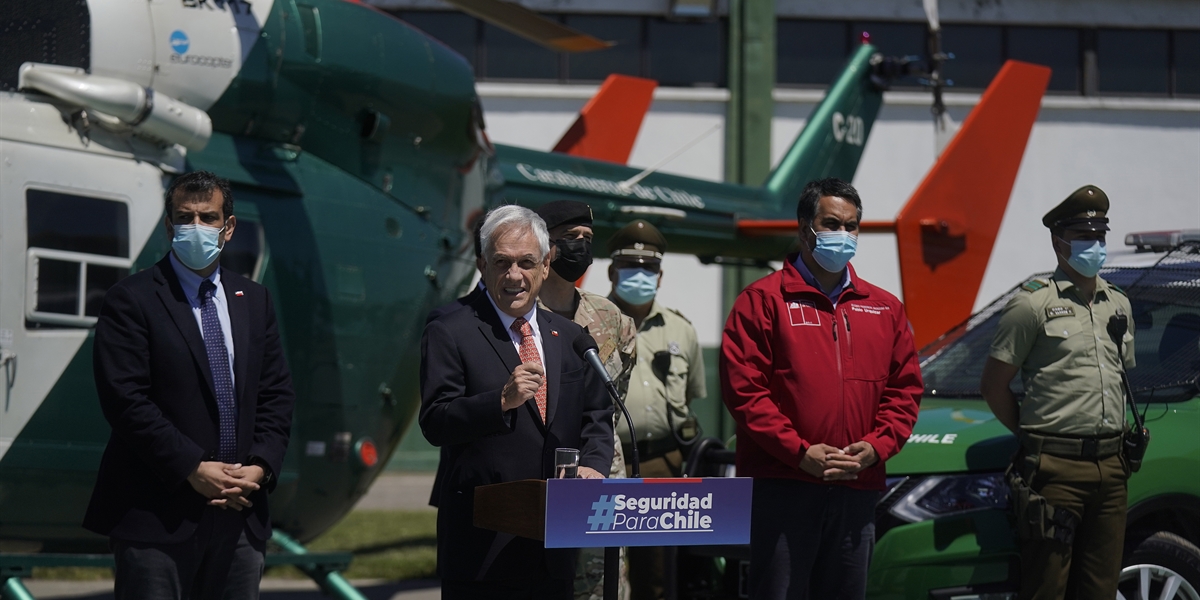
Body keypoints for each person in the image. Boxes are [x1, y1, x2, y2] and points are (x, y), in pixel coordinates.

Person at [85, 170, 296, 600]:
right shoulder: (132, 299)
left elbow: (276, 394)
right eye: (185, 218)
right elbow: (125, 400)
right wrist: (192, 468)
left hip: (240, 514)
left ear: (228, 227)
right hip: (157, 518)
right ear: (169, 227)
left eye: (207, 217)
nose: (195, 228)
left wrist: (260, 467)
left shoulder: (254, 299)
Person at [720, 178, 922, 600]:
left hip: (857, 487)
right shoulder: (761, 302)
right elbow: (745, 393)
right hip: (784, 487)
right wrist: (799, 452)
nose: (843, 235)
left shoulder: (884, 308)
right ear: (804, 228)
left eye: (852, 226)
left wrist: (876, 447)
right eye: (831, 224)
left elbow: (905, 390)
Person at [420, 204, 615, 600]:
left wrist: (594, 467)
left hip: (554, 545)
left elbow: (597, 416)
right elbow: (436, 421)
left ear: (546, 265)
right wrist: (500, 401)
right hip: (484, 547)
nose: (514, 276)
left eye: (526, 262)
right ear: (481, 265)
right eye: (501, 262)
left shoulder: (571, 337)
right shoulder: (450, 328)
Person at [980, 185, 1134, 600]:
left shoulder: (1118, 304)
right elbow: (994, 385)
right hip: (1055, 469)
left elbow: (1121, 377)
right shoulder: (1032, 304)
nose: (1094, 247)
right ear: (1058, 241)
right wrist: (1035, 436)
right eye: (1084, 238)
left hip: (1112, 467)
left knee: (1100, 589)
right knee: (1046, 587)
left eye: (1099, 238)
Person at [534, 200, 637, 600]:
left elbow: (614, 396)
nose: (580, 247)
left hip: (601, 475)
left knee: (601, 583)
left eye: (587, 238)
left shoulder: (610, 318)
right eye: (569, 238)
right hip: (539, 474)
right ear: (546, 247)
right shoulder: (523, 314)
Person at [606, 219, 705, 600]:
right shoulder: (585, 324)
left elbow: (690, 398)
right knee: (603, 570)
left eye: (649, 269)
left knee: (657, 576)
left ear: (660, 276)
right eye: (631, 267)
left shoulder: (682, 330)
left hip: (663, 463)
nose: (640, 275)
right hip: (605, 463)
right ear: (613, 271)